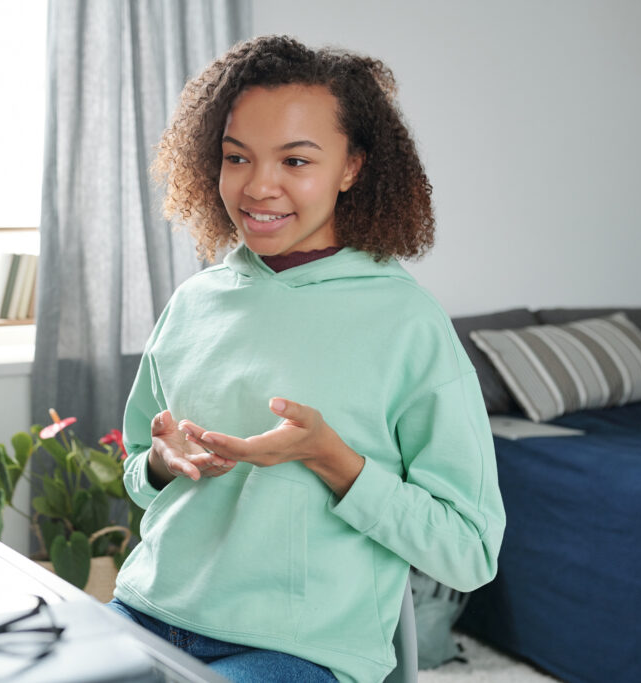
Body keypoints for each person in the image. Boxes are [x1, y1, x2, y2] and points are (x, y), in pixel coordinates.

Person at [106, 35, 506, 683]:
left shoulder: (406, 321)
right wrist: (157, 461)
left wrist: (333, 459)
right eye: (237, 158)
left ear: (351, 168)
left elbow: (470, 548)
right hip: (148, 608)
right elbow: (134, 471)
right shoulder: (193, 302)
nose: (260, 186)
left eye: (296, 160)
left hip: (296, 648)